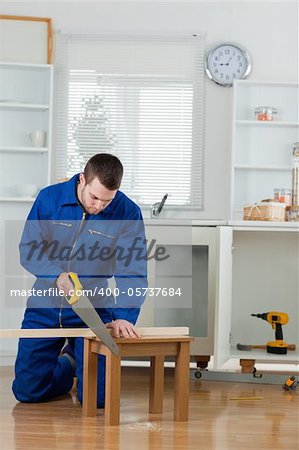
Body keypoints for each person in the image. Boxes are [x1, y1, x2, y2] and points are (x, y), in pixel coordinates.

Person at [12, 153, 148, 407]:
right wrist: (56, 275)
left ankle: (80, 355)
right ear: (83, 180)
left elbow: (133, 270)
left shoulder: (128, 212)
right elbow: (29, 250)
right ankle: (70, 362)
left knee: (98, 400)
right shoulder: (50, 198)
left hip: (93, 309)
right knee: (28, 392)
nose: (98, 206)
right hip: (45, 306)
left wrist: (124, 315)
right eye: (94, 197)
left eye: (107, 201)